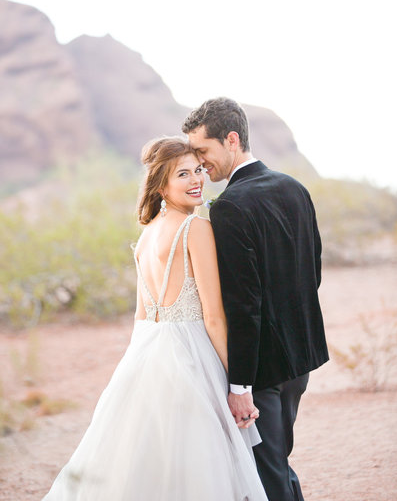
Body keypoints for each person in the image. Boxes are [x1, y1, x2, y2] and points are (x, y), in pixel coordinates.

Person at [42, 136, 268, 501]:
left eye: (198, 170)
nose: (196, 180)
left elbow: (142, 315)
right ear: (162, 185)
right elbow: (213, 316)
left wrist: (136, 367)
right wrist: (237, 385)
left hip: (149, 354)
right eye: (183, 174)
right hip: (194, 356)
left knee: (149, 461)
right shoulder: (195, 229)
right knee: (199, 465)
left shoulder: (146, 237)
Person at [183, 98, 329, 501]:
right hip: (300, 359)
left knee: (267, 475)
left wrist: (240, 383)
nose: (200, 163)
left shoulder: (228, 207)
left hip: (263, 369)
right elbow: (312, 270)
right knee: (276, 463)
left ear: (232, 140)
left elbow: (243, 305)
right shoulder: (293, 187)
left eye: (203, 151)